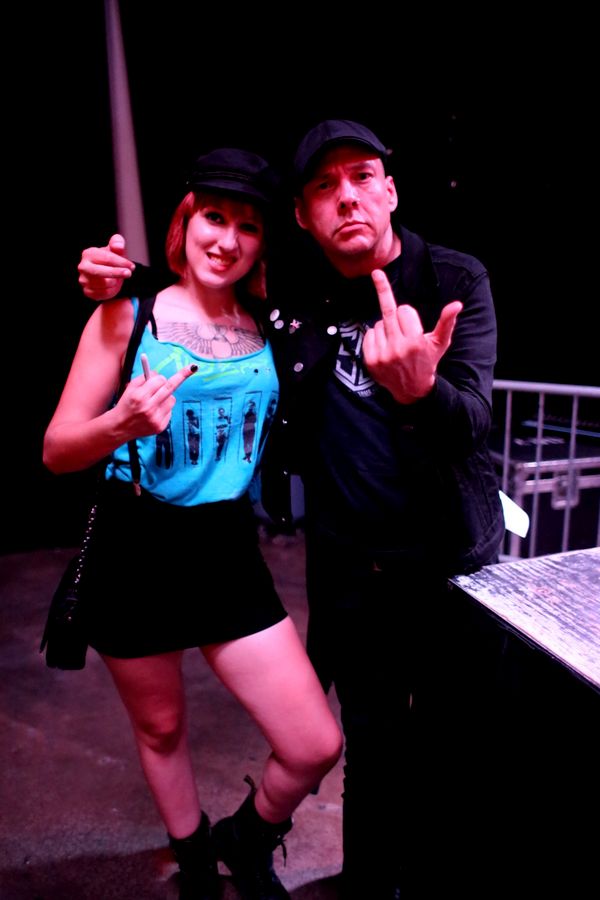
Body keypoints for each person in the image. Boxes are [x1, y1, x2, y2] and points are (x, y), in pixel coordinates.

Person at [77, 121, 506, 899]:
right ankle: (342, 880)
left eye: (363, 176)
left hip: (445, 560)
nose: (348, 197)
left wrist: (422, 394)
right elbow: (200, 281)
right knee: (366, 740)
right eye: (323, 186)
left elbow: (475, 420)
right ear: (303, 217)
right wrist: (121, 279)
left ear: (391, 190)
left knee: (448, 748)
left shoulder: (452, 277)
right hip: (345, 563)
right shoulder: (296, 288)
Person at [45, 147, 343, 900]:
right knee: (162, 728)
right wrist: (119, 423)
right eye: (214, 216)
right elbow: (56, 449)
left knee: (314, 742)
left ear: (264, 242)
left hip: (225, 549)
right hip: (135, 546)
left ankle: (246, 837)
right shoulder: (128, 314)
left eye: (248, 225)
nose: (227, 239)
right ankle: (195, 860)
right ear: (186, 220)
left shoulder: (268, 324)